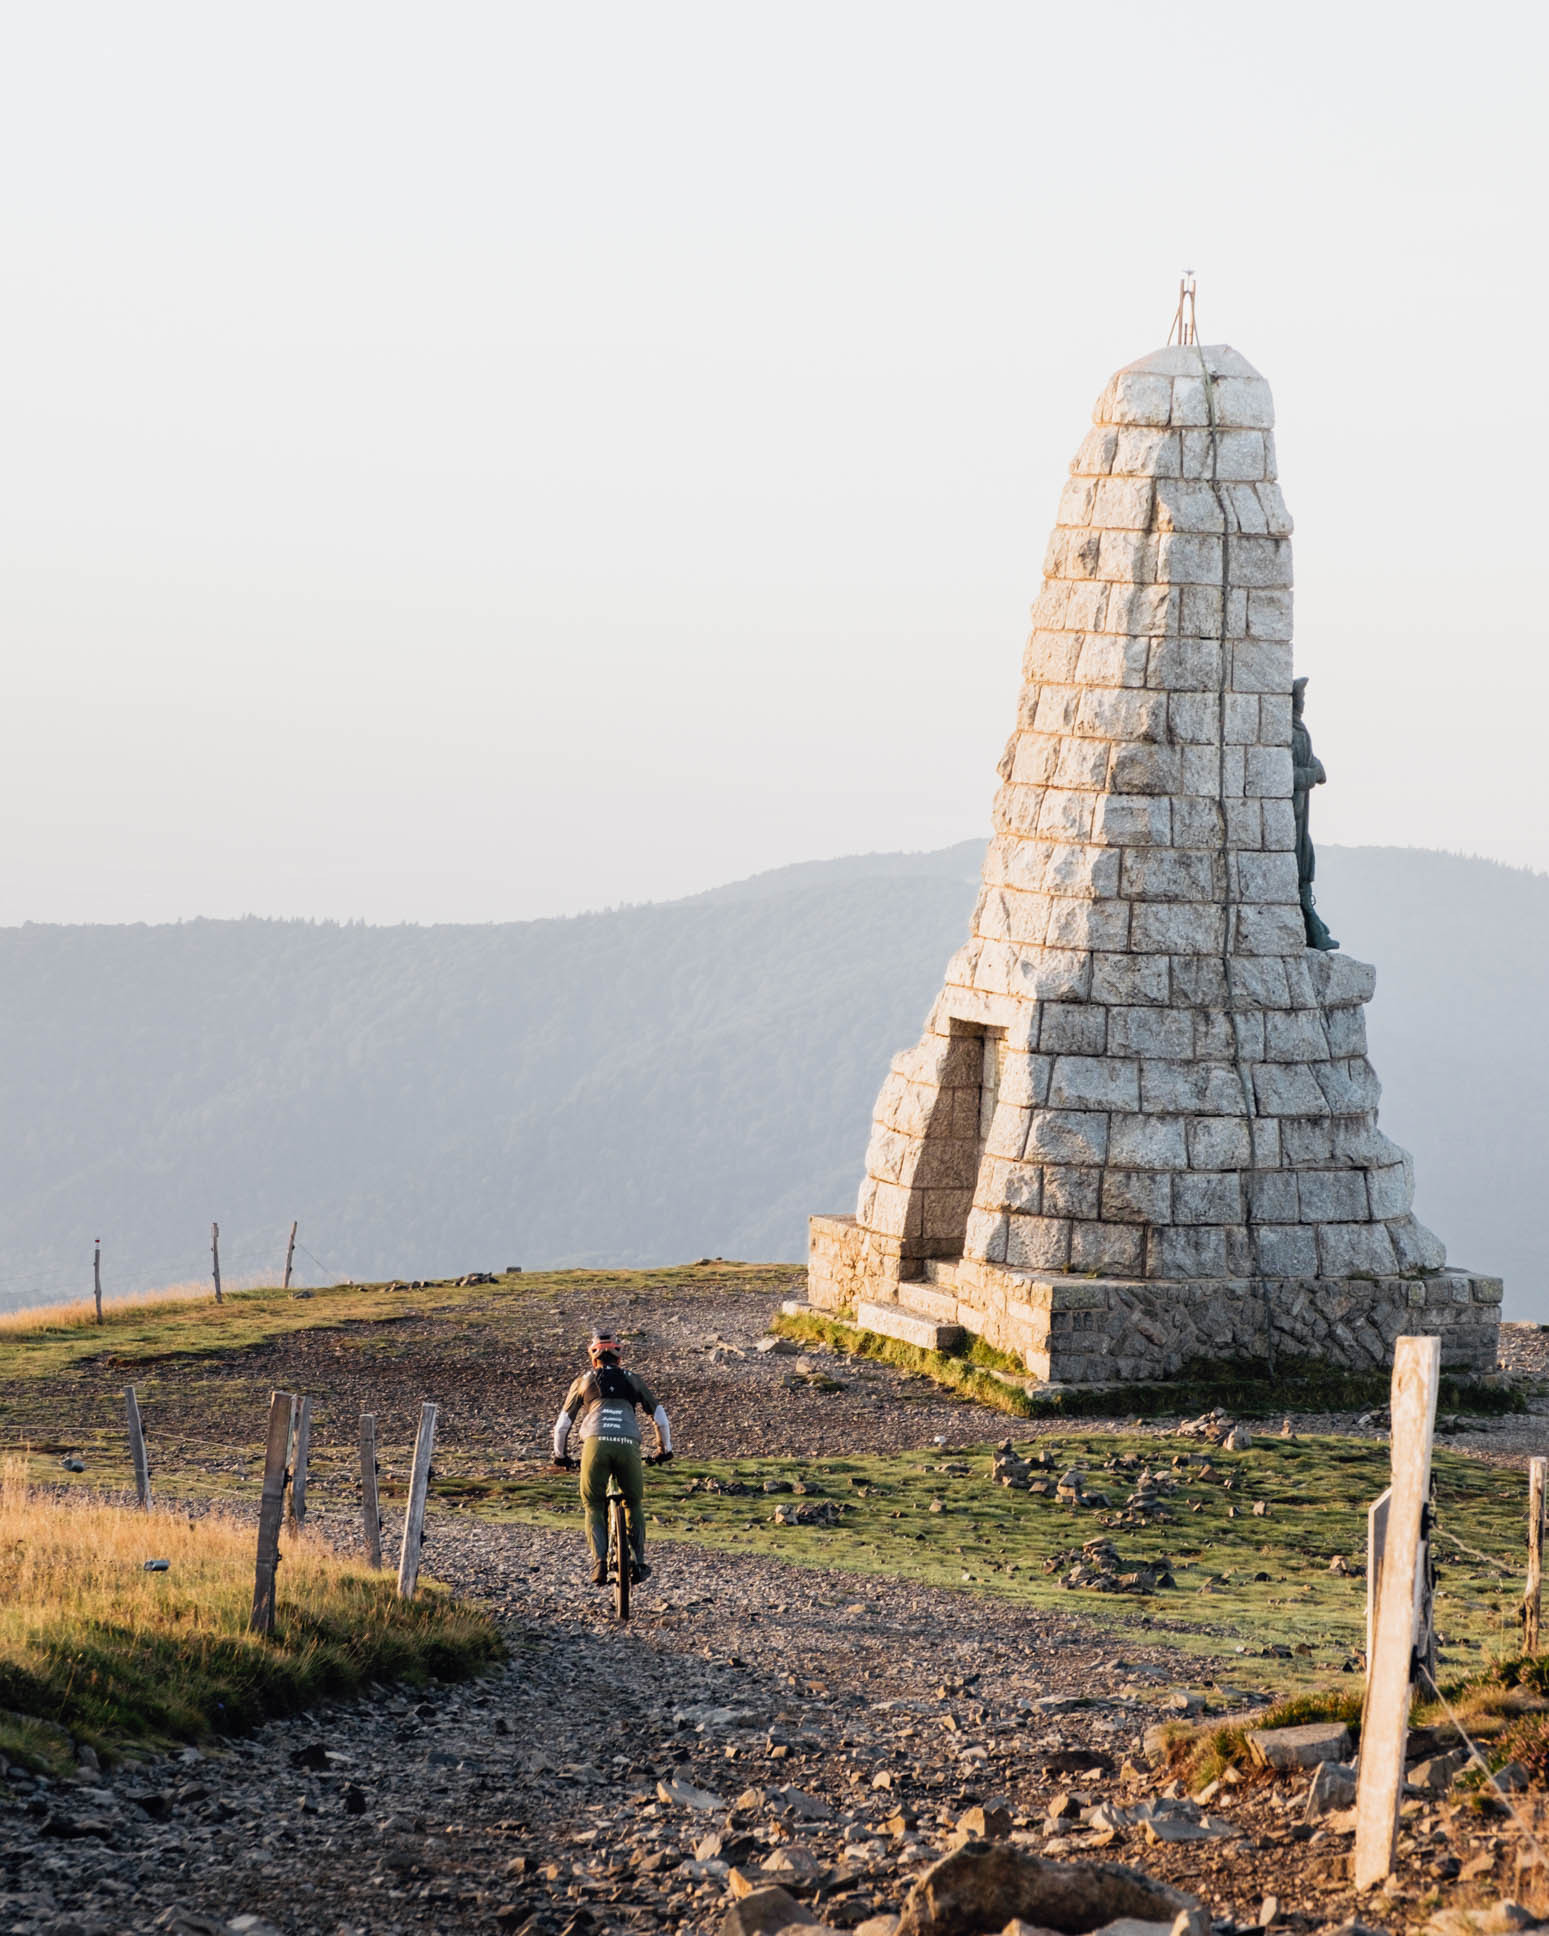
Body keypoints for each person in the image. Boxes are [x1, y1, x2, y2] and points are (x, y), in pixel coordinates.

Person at [552, 1328, 671, 1586]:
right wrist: (664, 1450)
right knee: (633, 1503)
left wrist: (560, 1456)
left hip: (594, 1445)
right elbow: (659, 1417)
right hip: (628, 1444)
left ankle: (598, 1564)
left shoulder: (583, 1381)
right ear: (619, 1358)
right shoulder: (633, 1379)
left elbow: (562, 1425)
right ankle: (638, 1563)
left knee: (594, 1504)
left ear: (593, 1360)